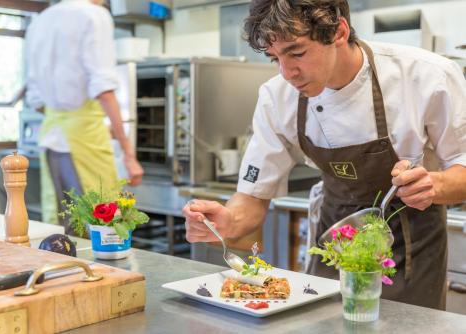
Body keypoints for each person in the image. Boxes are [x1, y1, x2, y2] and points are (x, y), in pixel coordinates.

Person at [182, 0, 466, 310]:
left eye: (297, 53)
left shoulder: (427, 76)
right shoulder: (277, 97)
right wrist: (227, 221)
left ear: (339, 31)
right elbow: (252, 197)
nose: (287, 72)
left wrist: (433, 185)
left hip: (414, 247)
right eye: (274, 58)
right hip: (332, 243)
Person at [25, 0, 143, 233]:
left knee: (63, 227)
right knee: (105, 224)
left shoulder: (39, 21)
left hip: (51, 137)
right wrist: (129, 155)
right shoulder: (94, 15)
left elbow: (36, 98)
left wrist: (72, 114)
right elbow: (104, 90)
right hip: (85, 141)